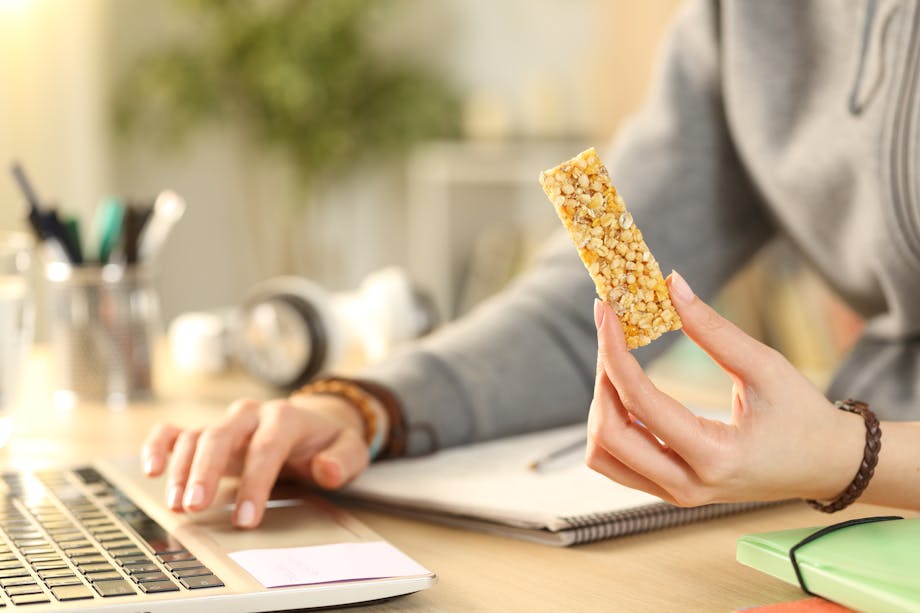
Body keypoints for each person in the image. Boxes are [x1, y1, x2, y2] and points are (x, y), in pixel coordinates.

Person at [141, 0, 920, 528]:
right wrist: (363, 404)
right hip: (847, 518)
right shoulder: (737, 18)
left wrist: (842, 451)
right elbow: (590, 304)